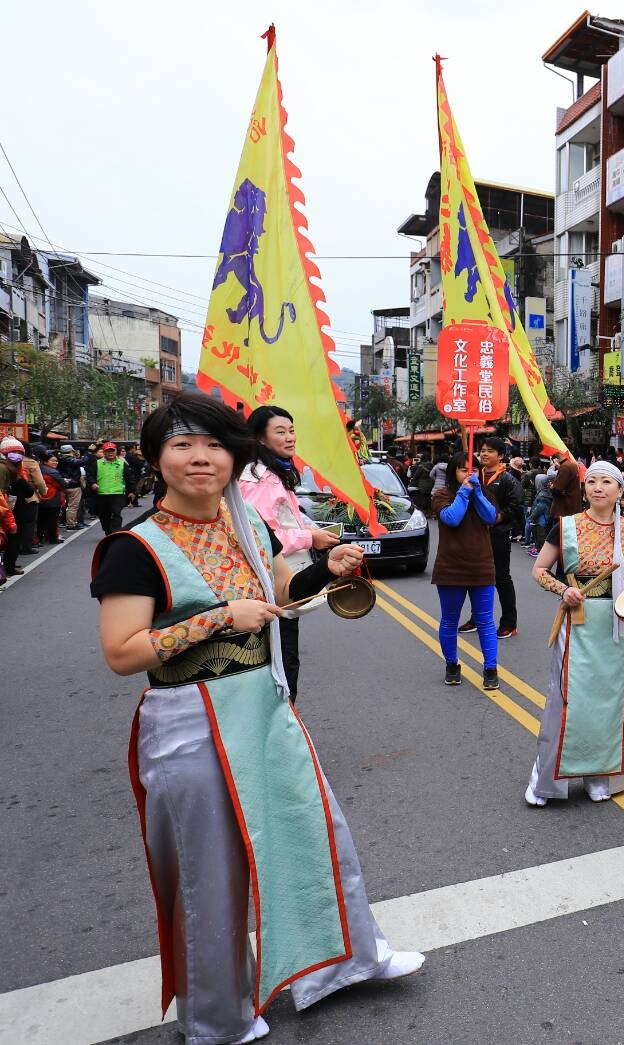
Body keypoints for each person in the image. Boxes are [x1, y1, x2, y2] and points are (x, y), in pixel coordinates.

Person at [91, 394, 422, 1044]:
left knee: (312, 832)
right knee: (210, 874)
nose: (200, 457)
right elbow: (121, 652)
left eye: (214, 445)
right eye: (182, 445)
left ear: (234, 456)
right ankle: (221, 1017)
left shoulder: (245, 525)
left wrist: (326, 569)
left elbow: (279, 590)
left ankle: (343, 962)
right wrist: (217, 617)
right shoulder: (132, 547)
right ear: (156, 457)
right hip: (188, 721)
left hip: (265, 709)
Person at [526, 461, 624, 807]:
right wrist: (563, 590)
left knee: (607, 702)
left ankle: (598, 774)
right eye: (592, 481)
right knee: (566, 699)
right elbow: (539, 570)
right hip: (577, 621)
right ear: (584, 489)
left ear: (620, 490)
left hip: (613, 628)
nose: (598, 487)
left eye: (607, 481)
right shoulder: (565, 527)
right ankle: (545, 781)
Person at [239, 405, 341, 701]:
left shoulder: (275, 472)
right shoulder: (258, 480)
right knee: (281, 666)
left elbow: (287, 518)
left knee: (285, 659)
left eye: (292, 430)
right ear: (259, 439)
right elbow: (260, 535)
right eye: (280, 432)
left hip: (278, 581)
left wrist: (315, 529)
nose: (290, 437)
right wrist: (310, 537)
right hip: (270, 584)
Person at [432, 453, 500, 690]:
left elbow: (490, 517)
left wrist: (478, 493)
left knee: (485, 620)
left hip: (482, 567)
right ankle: (452, 664)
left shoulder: (486, 494)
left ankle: (491, 668)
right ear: (453, 473)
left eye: (473, 469)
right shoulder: (441, 495)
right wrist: (464, 492)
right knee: (450, 620)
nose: (469, 474)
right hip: (451, 568)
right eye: (463, 470)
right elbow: (452, 518)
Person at [459, 438, 521, 639]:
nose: (484, 454)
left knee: (501, 579)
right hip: (475, 536)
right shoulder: (474, 476)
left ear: (501, 456)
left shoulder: (509, 479)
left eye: (490, 451)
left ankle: (509, 623)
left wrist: (498, 518)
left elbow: (515, 507)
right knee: (476, 578)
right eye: (482, 451)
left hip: (498, 536)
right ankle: (476, 619)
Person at [2, 437, 45, 577]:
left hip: (12, 509)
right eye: (13, 452)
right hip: (8, 510)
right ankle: (8, 567)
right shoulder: (6, 469)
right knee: (12, 538)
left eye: (19, 452)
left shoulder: (16, 469)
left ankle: (9, 565)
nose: (16, 455)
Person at [88, 440, 130, 533]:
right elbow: (90, 475)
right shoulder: (97, 463)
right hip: (102, 494)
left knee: (116, 514)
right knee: (104, 516)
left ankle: (115, 532)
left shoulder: (122, 463)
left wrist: (132, 491)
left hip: (118, 493)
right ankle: (108, 530)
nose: (110, 453)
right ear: (104, 452)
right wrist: (93, 483)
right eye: (108, 451)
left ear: (116, 451)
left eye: (112, 451)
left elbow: (129, 478)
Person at [35, 449, 64, 545]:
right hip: (53, 497)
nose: (55, 462)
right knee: (53, 519)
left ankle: (39, 537)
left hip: (40, 497)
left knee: (41, 520)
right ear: (46, 461)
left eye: (56, 461)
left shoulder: (39, 469)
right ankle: (52, 538)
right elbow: (62, 484)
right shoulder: (53, 472)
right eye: (53, 460)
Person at [57, 444, 86, 529]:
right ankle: (71, 524)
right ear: (71, 451)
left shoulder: (59, 459)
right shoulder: (70, 459)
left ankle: (63, 522)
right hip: (73, 485)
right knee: (73, 506)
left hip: (63, 484)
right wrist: (85, 455)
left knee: (64, 505)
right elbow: (82, 462)